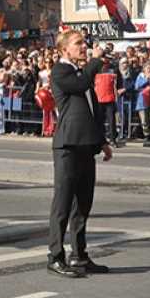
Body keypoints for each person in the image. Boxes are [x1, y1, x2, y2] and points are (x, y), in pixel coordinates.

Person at [47, 30, 112, 279]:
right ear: (65, 50)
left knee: (82, 205)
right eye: (78, 44)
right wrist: (96, 60)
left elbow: (91, 112)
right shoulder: (61, 71)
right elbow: (82, 84)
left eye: (84, 43)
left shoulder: (80, 72)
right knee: (62, 204)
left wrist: (102, 142)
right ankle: (55, 256)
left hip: (86, 146)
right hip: (67, 146)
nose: (83, 47)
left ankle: (79, 255)